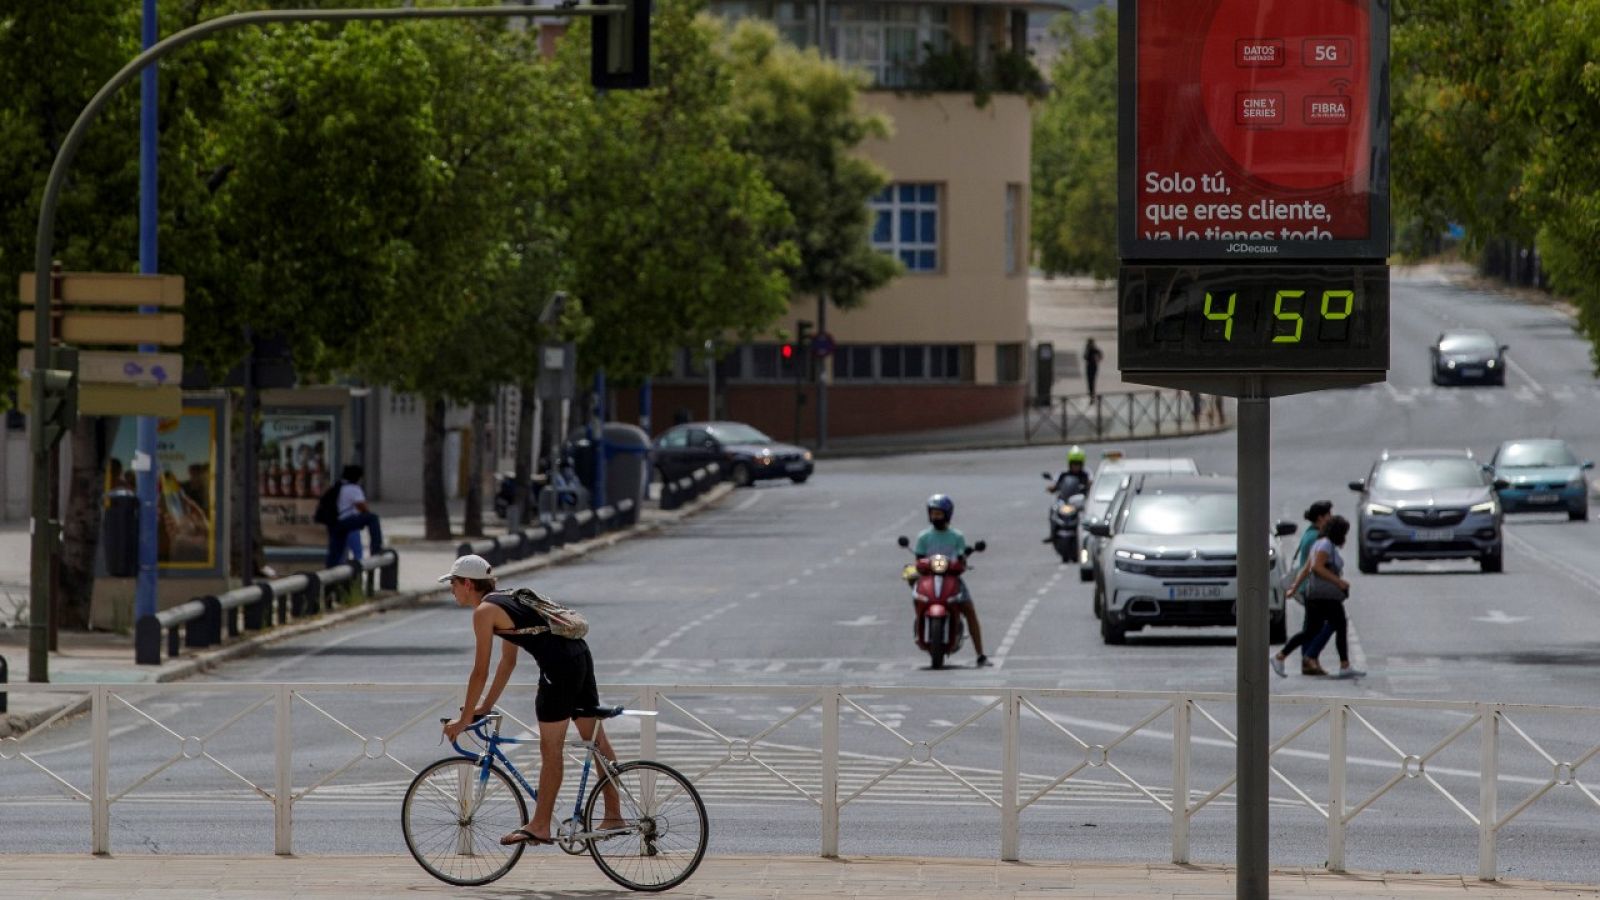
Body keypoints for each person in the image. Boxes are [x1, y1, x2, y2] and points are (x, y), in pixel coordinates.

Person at [439, 555, 622, 846]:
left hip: (558, 669)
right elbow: (507, 663)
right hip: (578, 656)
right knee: (595, 738)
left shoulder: (484, 612)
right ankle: (614, 815)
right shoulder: (504, 600)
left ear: (468, 583)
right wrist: (484, 707)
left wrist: (463, 720)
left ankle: (540, 826)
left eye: (453, 583)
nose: (451, 589)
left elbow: (480, 671)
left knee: (551, 748)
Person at [1275, 516, 1364, 680]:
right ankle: (1344, 665)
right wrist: (1339, 582)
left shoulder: (1319, 543)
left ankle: (1280, 656)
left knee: (1312, 630)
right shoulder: (1326, 545)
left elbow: (1306, 568)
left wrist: (1294, 587)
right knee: (1340, 624)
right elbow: (1316, 567)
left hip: (1315, 596)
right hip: (1325, 596)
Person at [913, 494, 989, 667]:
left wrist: (962, 562)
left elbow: (961, 558)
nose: (936, 517)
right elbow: (918, 560)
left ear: (947, 514)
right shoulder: (923, 537)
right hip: (928, 578)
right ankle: (919, 626)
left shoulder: (956, 536)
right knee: (917, 599)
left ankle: (980, 654)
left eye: (939, 514)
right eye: (933, 513)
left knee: (969, 610)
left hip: (952, 578)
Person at [1272, 501, 1336, 676]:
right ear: (1320, 518)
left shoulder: (1310, 533)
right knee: (1326, 624)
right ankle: (1292, 656)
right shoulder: (1316, 537)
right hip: (1314, 589)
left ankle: (1307, 660)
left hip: (1309, 588)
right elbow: (1314, 565)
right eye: (1328, 515)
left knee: (1312, 626)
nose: (1331, 518)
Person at [325, 465, 383, 568]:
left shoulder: (338, 487)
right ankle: (376, 549)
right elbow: (362, 506)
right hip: (347, 522)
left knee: (337, 551)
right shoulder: (353, 488)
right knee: (373, 518)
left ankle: (331, 569)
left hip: (334, 523)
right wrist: (364, 517)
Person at [1043, 446, 1092, 543]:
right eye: (1074, 464)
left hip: (1080, 502)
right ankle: (1053, 534)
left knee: (1088, 514)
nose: (1076, 466)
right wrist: (1051, 488)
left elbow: (1092, 483)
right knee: (1053, 509)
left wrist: (1090, 486)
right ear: (1070, 463)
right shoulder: (1063, 473)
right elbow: (1055, 484)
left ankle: (1088, 535)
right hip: (1064, 500)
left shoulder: (1087, 474)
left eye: (1078, 464)